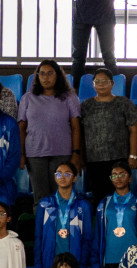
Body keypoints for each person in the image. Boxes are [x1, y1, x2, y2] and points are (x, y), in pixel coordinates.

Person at [19, 62, 81, 202]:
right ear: (37, 76)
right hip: (35, 155)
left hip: (62, 154)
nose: (45, 77)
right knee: (40, 198)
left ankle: (62, 225)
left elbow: (76, 127)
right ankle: (41, 224)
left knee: (61, 196)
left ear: (57, 76)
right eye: (42, 73)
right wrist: (22, 154)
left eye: (50, 73)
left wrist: (76, 153)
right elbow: (21, 128)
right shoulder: (27, 98)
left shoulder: (69, 98)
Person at [78, 70, 137, 200]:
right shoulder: (86, 106)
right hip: (93, 160)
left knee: (120, 194)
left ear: (112, 83)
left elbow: (133, 130)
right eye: (97, 82)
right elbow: (81, 134)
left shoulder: (124, 103)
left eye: (104, 81)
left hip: (119, 158)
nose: (101, 84)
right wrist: (80, 157)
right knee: (98, 197)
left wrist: (133, 155)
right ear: (93, 85)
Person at [33, 161, 94, 268]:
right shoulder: (45, 204)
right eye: (58, 174)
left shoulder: (83, 205)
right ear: (55, 177)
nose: (62, 177)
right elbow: (38, 237)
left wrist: (82, 267)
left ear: (74, 178)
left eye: (67, 174)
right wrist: (38, 265)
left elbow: (87, 239)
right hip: (50, 265)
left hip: (74, 266)